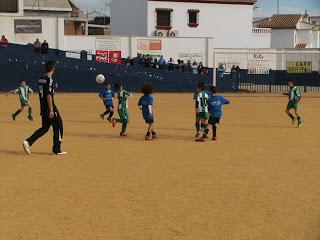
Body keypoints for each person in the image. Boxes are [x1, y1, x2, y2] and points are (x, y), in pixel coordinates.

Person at [22, 61, 67, 155]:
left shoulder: (40, 79)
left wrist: (53, 87)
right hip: (49, 106)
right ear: (53, 69)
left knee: (45, 127)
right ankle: (56, 150)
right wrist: (51, 110)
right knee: (58, 125)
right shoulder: (49, 80)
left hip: (42, 106)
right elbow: (48, 95)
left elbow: (45, 89)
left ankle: (28, 142)